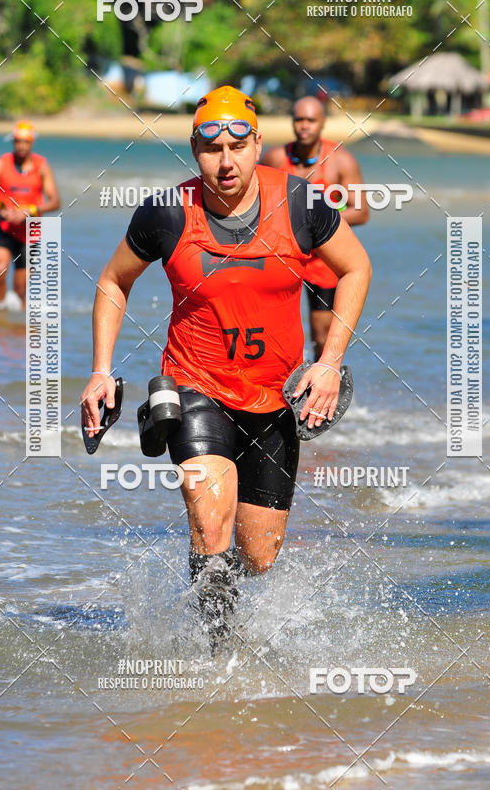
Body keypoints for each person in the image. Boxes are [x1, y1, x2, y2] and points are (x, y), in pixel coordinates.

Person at [81, 86, 371, 650]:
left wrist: (330, 362)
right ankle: (219, 664)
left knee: (258, 556)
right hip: (195, 388)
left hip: (273, 398)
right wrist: (99, 370)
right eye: (212, 148)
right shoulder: (167, 213)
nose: (226, 160)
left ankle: (217, 596)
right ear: (195, 149)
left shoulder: (299, 203)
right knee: (210, 527)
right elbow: (114, 280)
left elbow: (356, 269)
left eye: (238, 144)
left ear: (258, 143)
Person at [261, 96, 369, 359]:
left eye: (311, 120)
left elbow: (361, 211)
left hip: (323, 262)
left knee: (322, 335)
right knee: (270, 327)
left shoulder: (341, 162)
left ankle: (326, 390)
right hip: (282, 255)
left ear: (322, 123)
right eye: (299, 120)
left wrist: (315, 223)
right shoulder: (276, 157)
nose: (304, 126)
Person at [0, 120, 60, 308]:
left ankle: (19, 329)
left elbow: (55, 202)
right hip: (4, 228)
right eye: (17, 141)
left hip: (30, 234)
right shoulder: (0, 164)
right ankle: (0, 315)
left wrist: (29, 211)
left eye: (25, 142)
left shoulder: (41, 167)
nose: (21, 146)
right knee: (0, 271)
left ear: (32, 142)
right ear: (13, 142)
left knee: (21, 290)